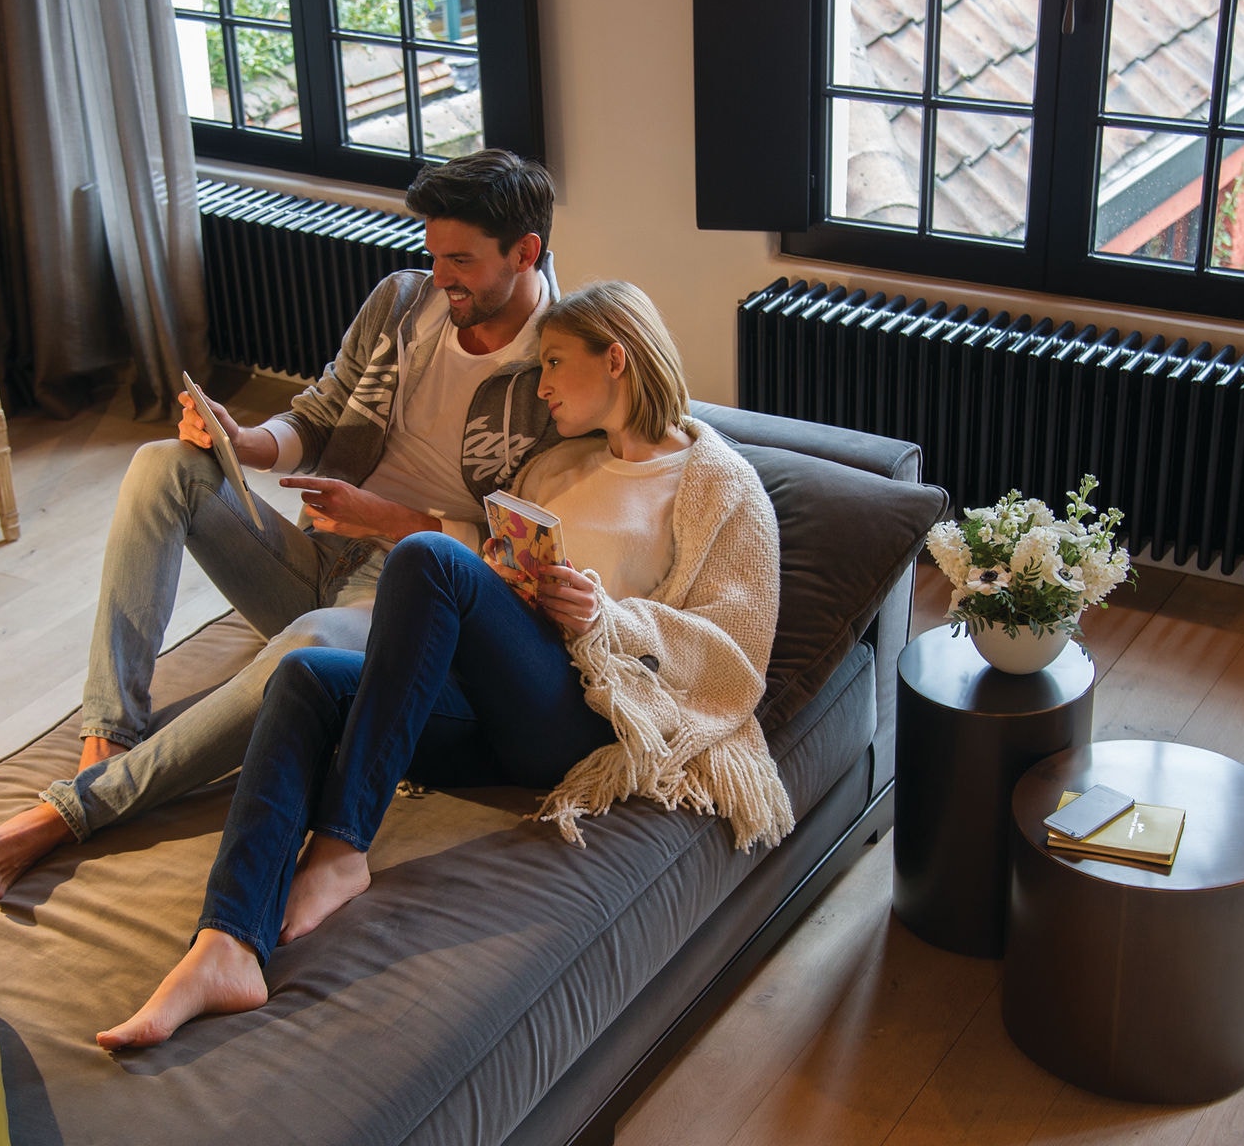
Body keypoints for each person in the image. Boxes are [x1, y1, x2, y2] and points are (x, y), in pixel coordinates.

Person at [94, 281, 791, 1049]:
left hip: (587, 718)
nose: (543, 386)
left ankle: (342, 846)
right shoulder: (559, 468)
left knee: (428, 558)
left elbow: (735, 652)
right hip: (497, 703)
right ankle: (226, 943)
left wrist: (607, 616)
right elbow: (492, 576)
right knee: (304, 679)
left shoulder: (719, 486)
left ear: (617, 359)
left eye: (555, 363)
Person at [0, 150, 564, 902]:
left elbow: (526, 551)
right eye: (434, 254)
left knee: (306, 645)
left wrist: (392, 518)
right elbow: (316, 410)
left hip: (411, 600)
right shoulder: (404, 302)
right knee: (162, 464)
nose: (441, 276)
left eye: (462, 260)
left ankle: (78, 809)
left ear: (526, 252)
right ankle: (107, 736)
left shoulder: (557, 363)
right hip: (325, 550)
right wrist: (242, 442)